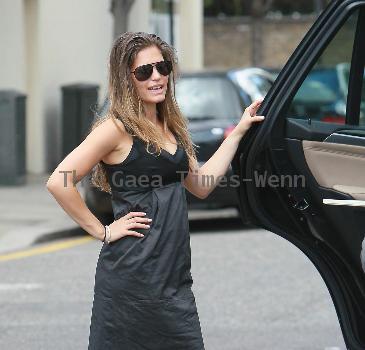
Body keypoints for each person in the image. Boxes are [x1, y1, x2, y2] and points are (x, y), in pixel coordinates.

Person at [46, 31, 265, 350]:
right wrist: (103, 231)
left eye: (162, 68)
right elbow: (59, 181)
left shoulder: (170, 127)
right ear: (126, 79)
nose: (157, 77)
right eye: (144, 71)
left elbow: (201, 186)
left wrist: (238, 132)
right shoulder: (116, 129)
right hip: (133, 276)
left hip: (172, 275)